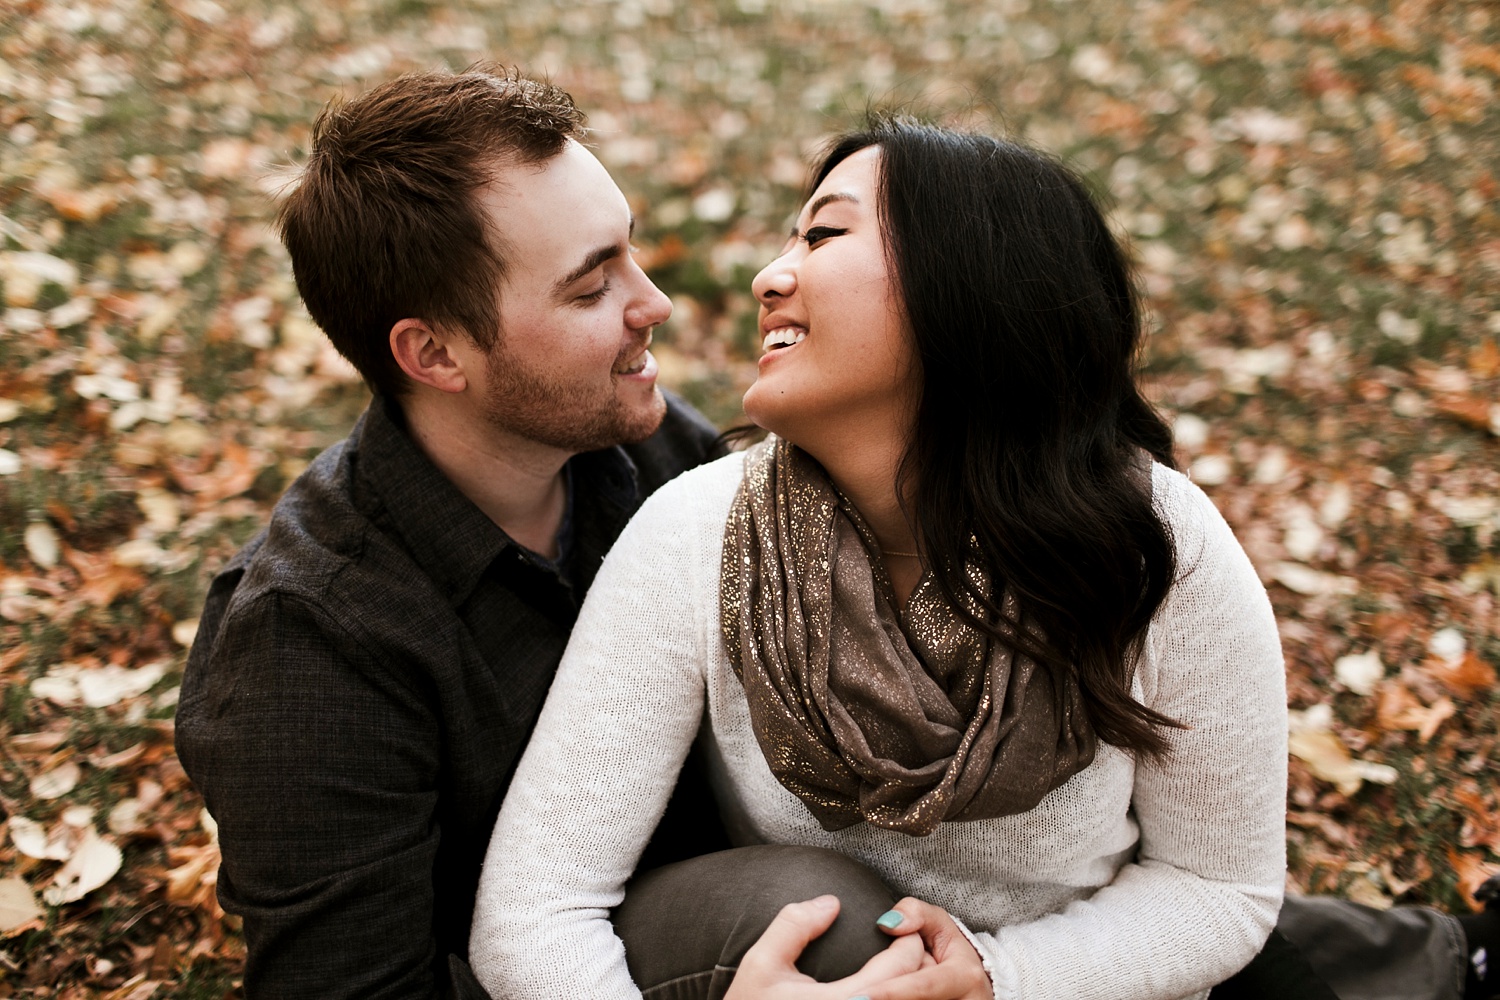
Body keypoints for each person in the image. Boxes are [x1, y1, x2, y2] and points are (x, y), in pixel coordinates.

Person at [468, 117, 1291, 999]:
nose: (767, 276)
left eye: (823, 233)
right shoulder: (695, 537)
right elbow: (533, 911)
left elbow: (1220, 887)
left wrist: (1000, 980)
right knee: (823, 908)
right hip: (789, 971)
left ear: (969, 284)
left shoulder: (1150, 546)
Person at [174, 66, 753, 998]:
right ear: (435, 353)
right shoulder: (308, 644)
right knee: (818, 907)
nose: (655, 304)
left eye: (629, 252)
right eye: (590, 287)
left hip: (700, 883)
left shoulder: (643, 453)